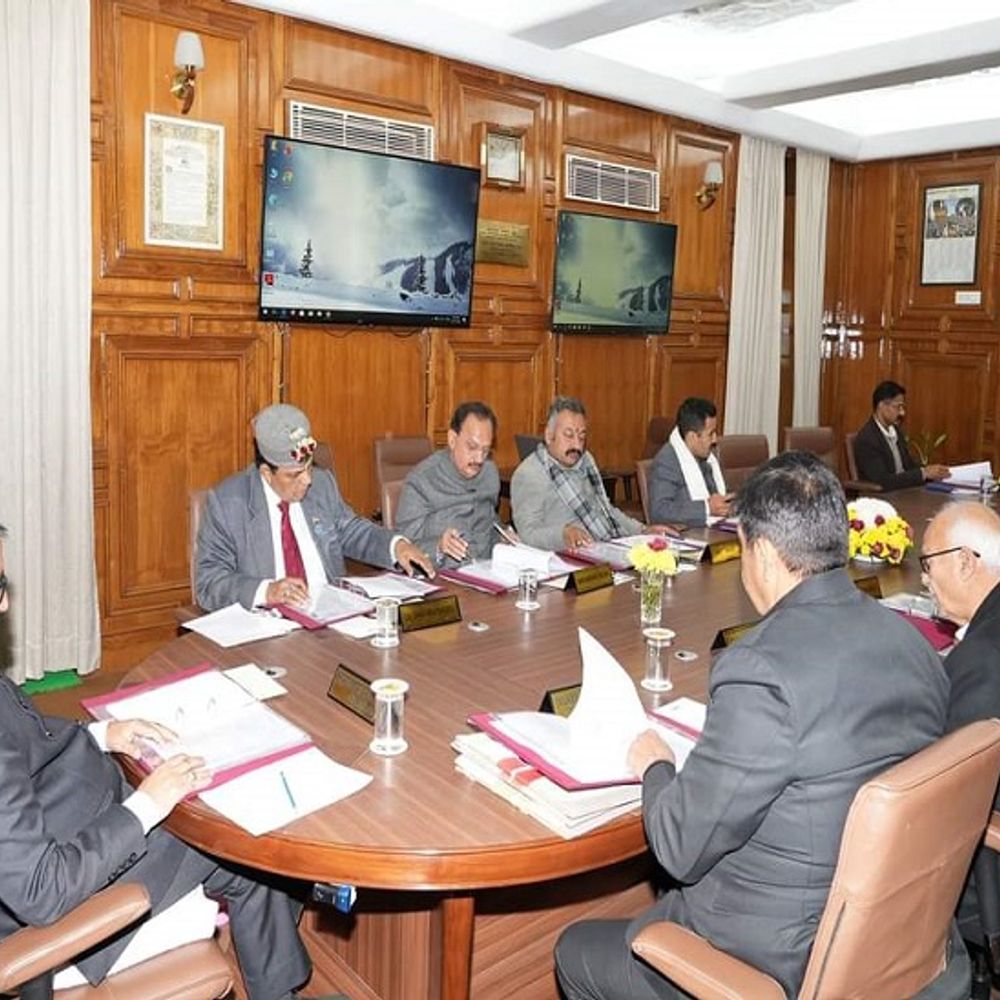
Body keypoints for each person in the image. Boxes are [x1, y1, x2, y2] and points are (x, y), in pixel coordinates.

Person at [555, 452, 953, 999]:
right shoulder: (913, 643)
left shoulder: (761, 672)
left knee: (575, 949)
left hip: (775, 957)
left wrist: (656, 763)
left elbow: (677, 846)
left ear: (762, 554)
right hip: (891, 939)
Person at [0, 524, 315, 998]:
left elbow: (27, 738)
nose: (6, 604)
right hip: (64, 911)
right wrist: (147, 805)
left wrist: (101, 734)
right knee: (245, 842)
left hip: (69, 821)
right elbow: (44, 891)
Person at [196, 403, 434, 611]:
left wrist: (396, 546)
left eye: (309, 467)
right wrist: (267, 591)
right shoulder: (228, 504)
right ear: (266, 473)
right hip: (269, 626)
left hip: (332, 618)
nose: (308, 480)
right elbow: (209, 582)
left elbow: (352, 530)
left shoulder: (322, 484)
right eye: (295, 474)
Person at [920, 502, 1000, 983]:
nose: (924, 579)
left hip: (981, 879)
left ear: (966, 562)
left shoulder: (980, 661)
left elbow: (939, 783)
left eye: (928, 564)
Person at [510, 397, 673, 551]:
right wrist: (563, 534)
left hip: (607, 544)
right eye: (569, 435)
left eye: (582, 436)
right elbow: (528, 534)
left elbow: (606, 510)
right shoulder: (530, 474)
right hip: (567, 556)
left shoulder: (586, 460)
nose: (577, 445)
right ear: (549, 435)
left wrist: (642, 530)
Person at [395, 401, 502, 566]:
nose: (479, 459)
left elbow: (489, 520)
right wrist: (438, 546)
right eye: (472, 447)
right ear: (452, 439)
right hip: (444, 573)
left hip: (488, 570)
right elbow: (403, 546)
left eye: (485, 450)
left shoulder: (490, 473)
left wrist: (503, 537)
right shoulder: (422, 481)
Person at [648, 397, 732, 525]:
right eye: (711, 434)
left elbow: (717, 497)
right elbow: (659, 511)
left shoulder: (707, 458)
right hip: (689, 533)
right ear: (692, 437)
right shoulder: (667, 462)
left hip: (713, 529)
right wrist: (706, 508)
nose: (715, 439)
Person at [854, 380, 949, 490]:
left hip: (904, 491)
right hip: (885, 495)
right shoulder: (867, 439)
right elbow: (883, 481)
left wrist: (932, 471)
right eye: (898, 407)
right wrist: (923, 473)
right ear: (881, 405)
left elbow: (908, 465)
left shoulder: (896, 431)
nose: (902, 413)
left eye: (902, 407)